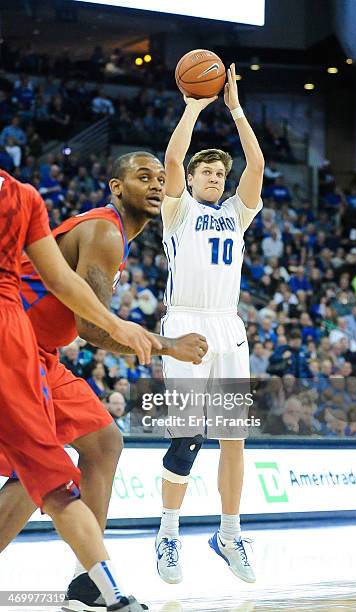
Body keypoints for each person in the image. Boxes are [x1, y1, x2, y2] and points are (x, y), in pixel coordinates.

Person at [0, 154, 208, 611]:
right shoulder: (105, 231)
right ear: (116, 186)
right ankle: (98, 582)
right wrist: (167, 345)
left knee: (104, 442)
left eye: (160, 178)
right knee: (35, 470)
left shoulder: (112, 234)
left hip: (44, 357)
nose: (155, 185)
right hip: (18, 351)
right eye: (143, 177)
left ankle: (86, 584)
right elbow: (92, 329)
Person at [156, 64, 264, 584]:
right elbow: (173, 157)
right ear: (193, 180)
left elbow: (257, 165)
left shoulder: (236, 214)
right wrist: (195, 105)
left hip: (229, 328)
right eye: (209, 172)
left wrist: (236, 109)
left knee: (233, 439)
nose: (216, 177)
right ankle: (168, 533)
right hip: (186, 328)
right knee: (188, 435)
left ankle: (229, 531)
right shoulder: (175, 213)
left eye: (221, 173)